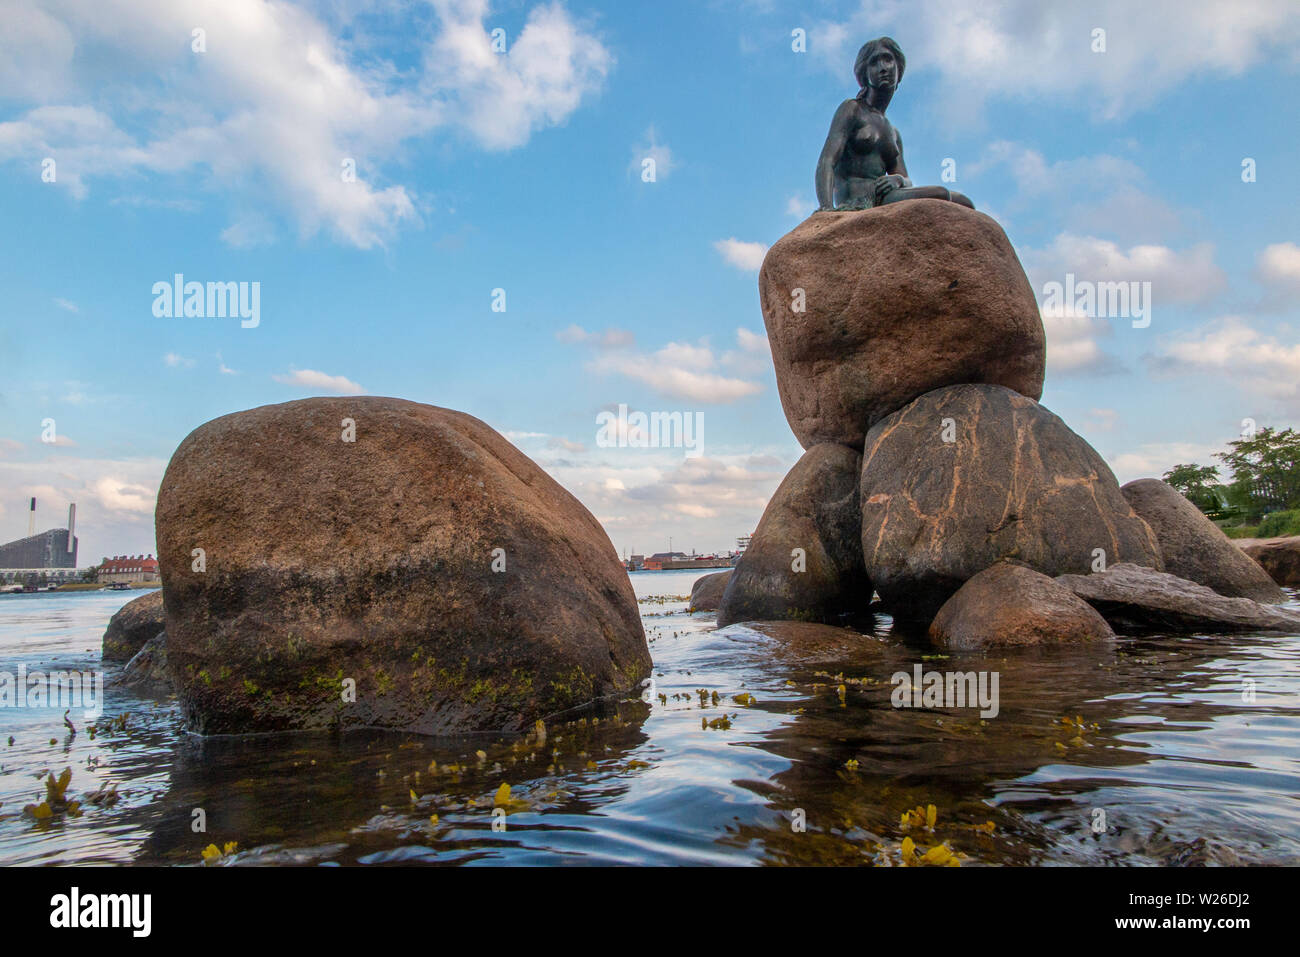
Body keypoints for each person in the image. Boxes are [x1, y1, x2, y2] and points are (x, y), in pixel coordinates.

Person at [815, 37, 974, 211]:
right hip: (859, 200)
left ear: (899, 68)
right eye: (874, 63)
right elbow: (827, 160)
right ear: (864, 73)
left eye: (888, 59)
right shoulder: (852, 109)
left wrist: (897, 180)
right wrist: (826, 209)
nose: (883, 68)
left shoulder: (893, 133)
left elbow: (906, 181)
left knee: (964, 202)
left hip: (886, 197)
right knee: (941, 193)